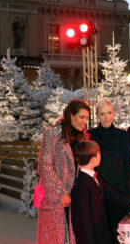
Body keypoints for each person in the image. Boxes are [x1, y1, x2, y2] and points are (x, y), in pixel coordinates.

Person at [71, 140, 130, 244]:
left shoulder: (95, 177)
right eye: (99, 153)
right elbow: (83, 224)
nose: (101, 155)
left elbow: (111, 193)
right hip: (93, 239)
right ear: (93, 160)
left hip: (102, 234)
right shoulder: (81, 186)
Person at [37, 99, 90, 244]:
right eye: (81, 117)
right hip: (56, 200)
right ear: (70, 115)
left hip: (75, 199)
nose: (84, 121)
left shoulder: (82, 137)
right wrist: (60, 194)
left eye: (86, 118)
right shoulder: (52, 133)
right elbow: (44, 166)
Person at [88, 98, 130, 240]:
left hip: (120, 191)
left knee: (119, 233)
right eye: (102, 114)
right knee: (101, 233)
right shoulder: (90, 135)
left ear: (113, 113)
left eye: (109, 113)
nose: (106, 117)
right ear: (97, 116)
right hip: (98, 191)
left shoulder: (123, 135)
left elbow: (128, 164)